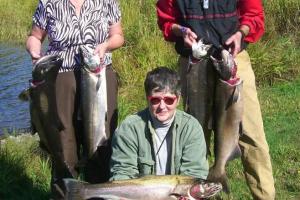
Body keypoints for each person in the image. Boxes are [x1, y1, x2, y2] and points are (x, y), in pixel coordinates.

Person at [156, 0, 275, 199]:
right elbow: (166, 21)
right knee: (194, 137)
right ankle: (198, 193)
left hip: (232, 59)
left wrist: (241, 33)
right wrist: (181, 31)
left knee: (252, 136)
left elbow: (253, 15)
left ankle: (265, 196)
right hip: (193, 65)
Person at [26, 0, 124, 198]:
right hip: (60, 77)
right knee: (63, 143)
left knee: (101, 141)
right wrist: (35, 52)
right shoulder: (49, 3)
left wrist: (106, 45)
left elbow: (118, 36)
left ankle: (100, 193)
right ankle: (66, 193)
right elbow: (35, 36)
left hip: (99, 75)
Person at [109, 67, 208, 180]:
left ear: (178, 99)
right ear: (147, 98)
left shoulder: (191, 128)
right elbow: (122, 172)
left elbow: (194, 174)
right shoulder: (129, 128)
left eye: (169, 100)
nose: (162, 106)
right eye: (155, 100)